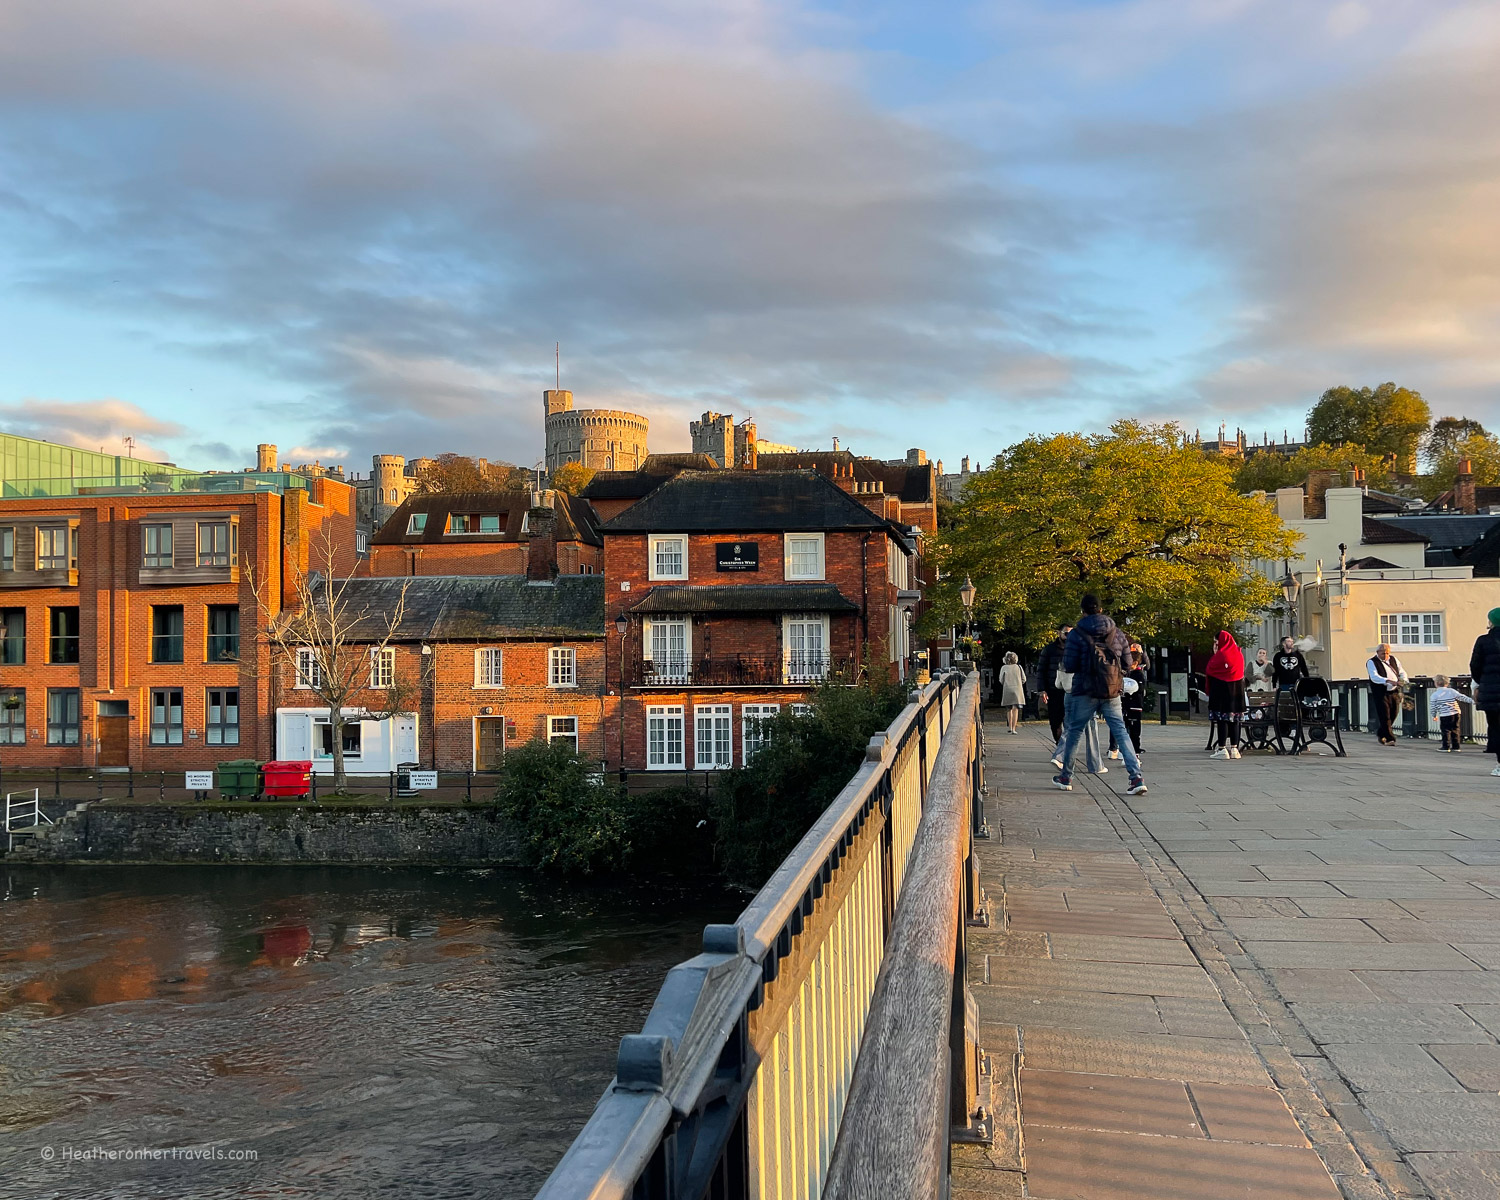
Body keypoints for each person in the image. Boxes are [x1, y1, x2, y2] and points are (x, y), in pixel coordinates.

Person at [1052, 595, 1146, 795]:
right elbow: (1128, 664)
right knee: (1120, 731)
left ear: (1083, 611)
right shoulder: (1117, 633)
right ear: (1101, 610)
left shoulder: (1076, 635)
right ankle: (1136, 778)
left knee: (1075, 732)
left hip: (1084, 690)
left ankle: (1066, 776)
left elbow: (1069, 665)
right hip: (1111, 690)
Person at [1205, 631, 1247, 759]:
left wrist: (1215, 653)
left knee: (1222, 720)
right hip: (1236, 692)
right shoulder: (1238, 654)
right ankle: (1235, 748)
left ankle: (1222, 748)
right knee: (1235, 721)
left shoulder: (1221, 655)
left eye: (1216, 641)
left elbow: (1210, 669)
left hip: (1221, 692)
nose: (1215, 644)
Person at [1470, 609, 1500, 775]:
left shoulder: (1483, 641)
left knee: (1496, 727)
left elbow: (1475, 665)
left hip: (1491, 690)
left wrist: (1481, 682)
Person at [1110, 643, 1147, 759]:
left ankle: (1135, 750)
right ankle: (1120, 749)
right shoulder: (1125, 673)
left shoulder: (1138, 675)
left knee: (1134, 730)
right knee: (1122, 727)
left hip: (1135, 705)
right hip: (1124, 704)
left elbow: (1139, 689)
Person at [1036, 625, 1071, 744]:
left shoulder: (1075, 649)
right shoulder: (1049, 650)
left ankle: (1065, 749)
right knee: (1055, 721)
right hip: (1054, 689)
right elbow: (1041, 670)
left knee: (1070, 722)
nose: (1068, 637)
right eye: (1066, 633)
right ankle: (1060, 743)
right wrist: (1042, 690)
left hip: (1070, 690)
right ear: (1059, 633)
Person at [1367, 642, 1407, 746]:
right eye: (1383, 653)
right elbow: (1374, 677)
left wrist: (1403, 680)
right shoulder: (1372, 662)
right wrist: (1388, 680)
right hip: (1381, 692)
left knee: (1394, 713)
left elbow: (1402, 671)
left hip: (1394, 691)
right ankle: (1390, 738)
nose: (1385, 656)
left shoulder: (1393, 659)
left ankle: (1381, 733)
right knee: (1384, 714)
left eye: (1387, 653)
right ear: (1377, 653)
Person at [1429, 674, 1474, 752]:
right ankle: (1456, 746)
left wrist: (1434, 715)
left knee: (1446, 730)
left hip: (1445, 714)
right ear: (1447, 683)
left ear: (1436, 683)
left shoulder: (1435, 695)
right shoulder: (1451, 691)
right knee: (1455, 729)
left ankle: (1446, 746)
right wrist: (1473, 701)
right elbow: (1462, 697)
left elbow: (1433, 706)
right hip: (1456, 713)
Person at [997, 651, 1027, 734]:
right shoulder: (1019, 667)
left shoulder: (1004, 668)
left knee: (1008, 709)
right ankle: (1014, 728)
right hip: (1017, 690)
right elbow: (1024, 679)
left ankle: (1010, 727)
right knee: (1015, 709)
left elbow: (1001, 680)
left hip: (1007, 689)